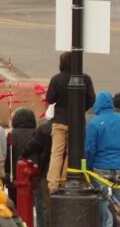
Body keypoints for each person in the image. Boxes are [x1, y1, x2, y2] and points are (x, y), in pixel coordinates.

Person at [45, 52, 95, 194]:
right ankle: (64, 179)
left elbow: (50, 98)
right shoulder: (85, 79)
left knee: (57, 152)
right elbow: (92, 99)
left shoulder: (57, 79)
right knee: (72, 152)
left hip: (60, 120)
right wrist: (80, 109)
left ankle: (53, 183)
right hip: (77, 122)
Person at [85, 91, 120, 227]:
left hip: (100, 167)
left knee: (103, 202)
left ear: (97, 104)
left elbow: (89, 149)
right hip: (119, 167)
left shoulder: (94, 123)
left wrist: (89, 165)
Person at [5, 109, 36, 204]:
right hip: (32, 174)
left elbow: (8, 157)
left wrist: (7, 172)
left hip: (14, 175)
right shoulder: (36, 133)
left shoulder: (12, 135)